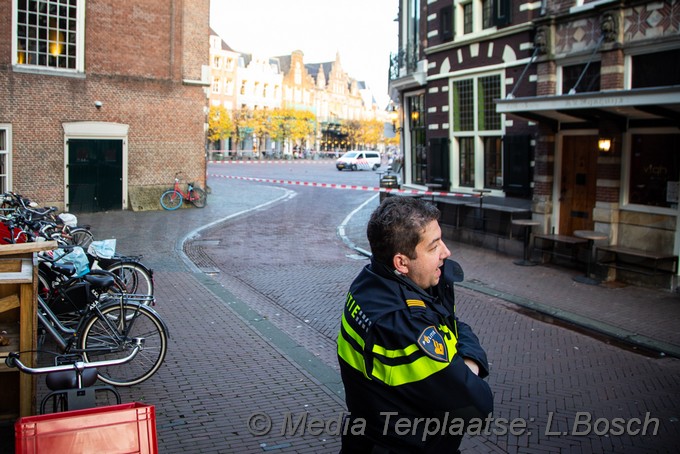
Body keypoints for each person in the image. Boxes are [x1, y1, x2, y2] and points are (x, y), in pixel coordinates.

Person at [337, 196, 493, 453]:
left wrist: (457, 358)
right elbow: (474, 406)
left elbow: (453, 326)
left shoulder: (372, 282)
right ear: (401, 262)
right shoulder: (402, 322)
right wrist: (469, 366)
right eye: (433, 247)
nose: (446, 252)